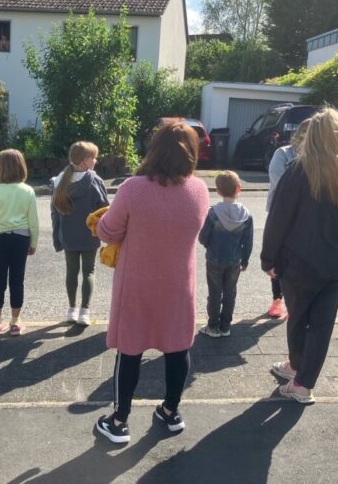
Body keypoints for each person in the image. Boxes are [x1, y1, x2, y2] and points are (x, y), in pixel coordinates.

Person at [94, 122, 210, 444]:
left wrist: (102, 218)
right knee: (177, 348)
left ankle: (118, 422)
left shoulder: (133, 188)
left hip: (137, 286)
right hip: (178, 286)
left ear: (155, 148)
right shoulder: (199, 190)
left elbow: (108, 231)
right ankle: (171, 412)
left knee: (129, 351)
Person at [261, 107, 338, 404]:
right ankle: (303, 383)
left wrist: (268, 259)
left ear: (312, 136)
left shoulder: (298, 170)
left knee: (298, 319)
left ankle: (296, 368)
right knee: (322, 325)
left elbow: (278, 220)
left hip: (300, 263)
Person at [0, 149, 39, 336]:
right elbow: (34, 222)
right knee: (17, 279)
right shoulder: (28, 190)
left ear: (1, 169)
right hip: (21, 238)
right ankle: (15, 321)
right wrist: (34, 242)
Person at [51, 141, 109, 326]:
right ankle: (85, 310)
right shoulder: (94, 181)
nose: (96, 160)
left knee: (71, 271)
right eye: (94, 157)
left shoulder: (59, 181)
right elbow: (105, 210)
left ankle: (71, 309)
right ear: (85, 160)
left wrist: (56, 237)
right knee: (88, 271)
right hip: (90, 234)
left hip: (67, 235)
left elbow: (55, 214)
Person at [198, 170, 253, 338]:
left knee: (214, 293)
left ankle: (213, 326)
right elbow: (248, 241)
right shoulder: (246, 215)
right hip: (234, 260)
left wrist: (208, 245)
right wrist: (245, 260)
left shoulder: (213, 213)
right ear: (239, 189)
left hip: (214, 258)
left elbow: (203, 237)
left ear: (218, 191)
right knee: (230, 292)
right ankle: (225, 326)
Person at [264, 133, 304, 319]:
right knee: (278, 258)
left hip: (302, 217)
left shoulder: (318, 158)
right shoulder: (283, 154)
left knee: (296, 259)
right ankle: (277, 300)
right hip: (279, 213)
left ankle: (292, 303)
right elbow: (279, 182)